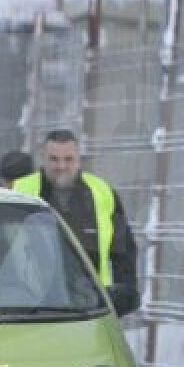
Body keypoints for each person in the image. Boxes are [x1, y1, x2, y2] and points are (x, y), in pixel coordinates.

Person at [14, 129, 139, 316]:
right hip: (29, 309)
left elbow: (123, 251)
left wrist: (124, 295)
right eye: (54, 159)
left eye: (68, 159)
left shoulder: (102, 192)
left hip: (91, 309)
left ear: (78, 160)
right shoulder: (20, 191)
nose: (61, 166)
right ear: (43, 159)